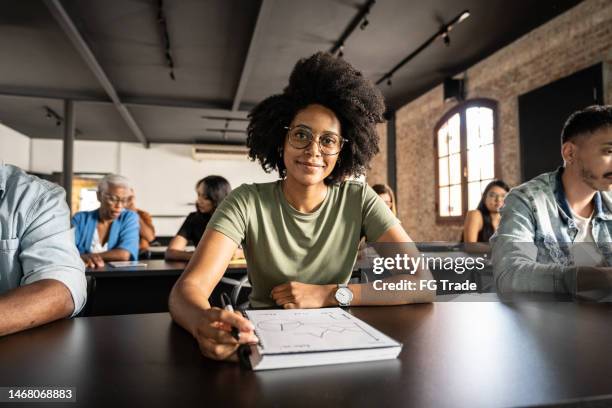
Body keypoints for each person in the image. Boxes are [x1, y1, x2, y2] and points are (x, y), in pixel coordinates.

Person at [169, 52, 435, 362]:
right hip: (262, 340)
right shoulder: (246, 200)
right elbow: (187, 290)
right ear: (281, 141)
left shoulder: (359, 199)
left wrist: (328, 294)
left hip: (340, 337)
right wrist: (201, 321)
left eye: (329, 140)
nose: (313, 150)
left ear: (342, 151)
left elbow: (422, 283)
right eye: (301, 135)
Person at [492, 105, 612, 297]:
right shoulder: (526, 201)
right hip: (551, 323)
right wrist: (604, 278)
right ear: (570, 153)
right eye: (608, 151)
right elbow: (510, 275)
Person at [0, 164, 86, 336]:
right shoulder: (83, 218)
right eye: (113, 198)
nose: (117, 205)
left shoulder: (35, 197)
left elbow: (63, 285)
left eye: (123, 199)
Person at [72, 174, 139, 268]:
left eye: (124, 200)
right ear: (99, 195)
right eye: (112, 199)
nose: (119, 205)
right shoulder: (80, 219)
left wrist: (85, 257)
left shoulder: (129, 217)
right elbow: (67, 252)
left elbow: (124, 254)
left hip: (116, 278)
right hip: (81, 275)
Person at [165, 175, 232, 261]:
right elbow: (171, 253)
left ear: (218, 197)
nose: (199, 200)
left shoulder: (234, 219)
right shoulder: (194, 218)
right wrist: (205, 256)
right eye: (198, 195)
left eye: (205, 197)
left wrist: (239, 253)